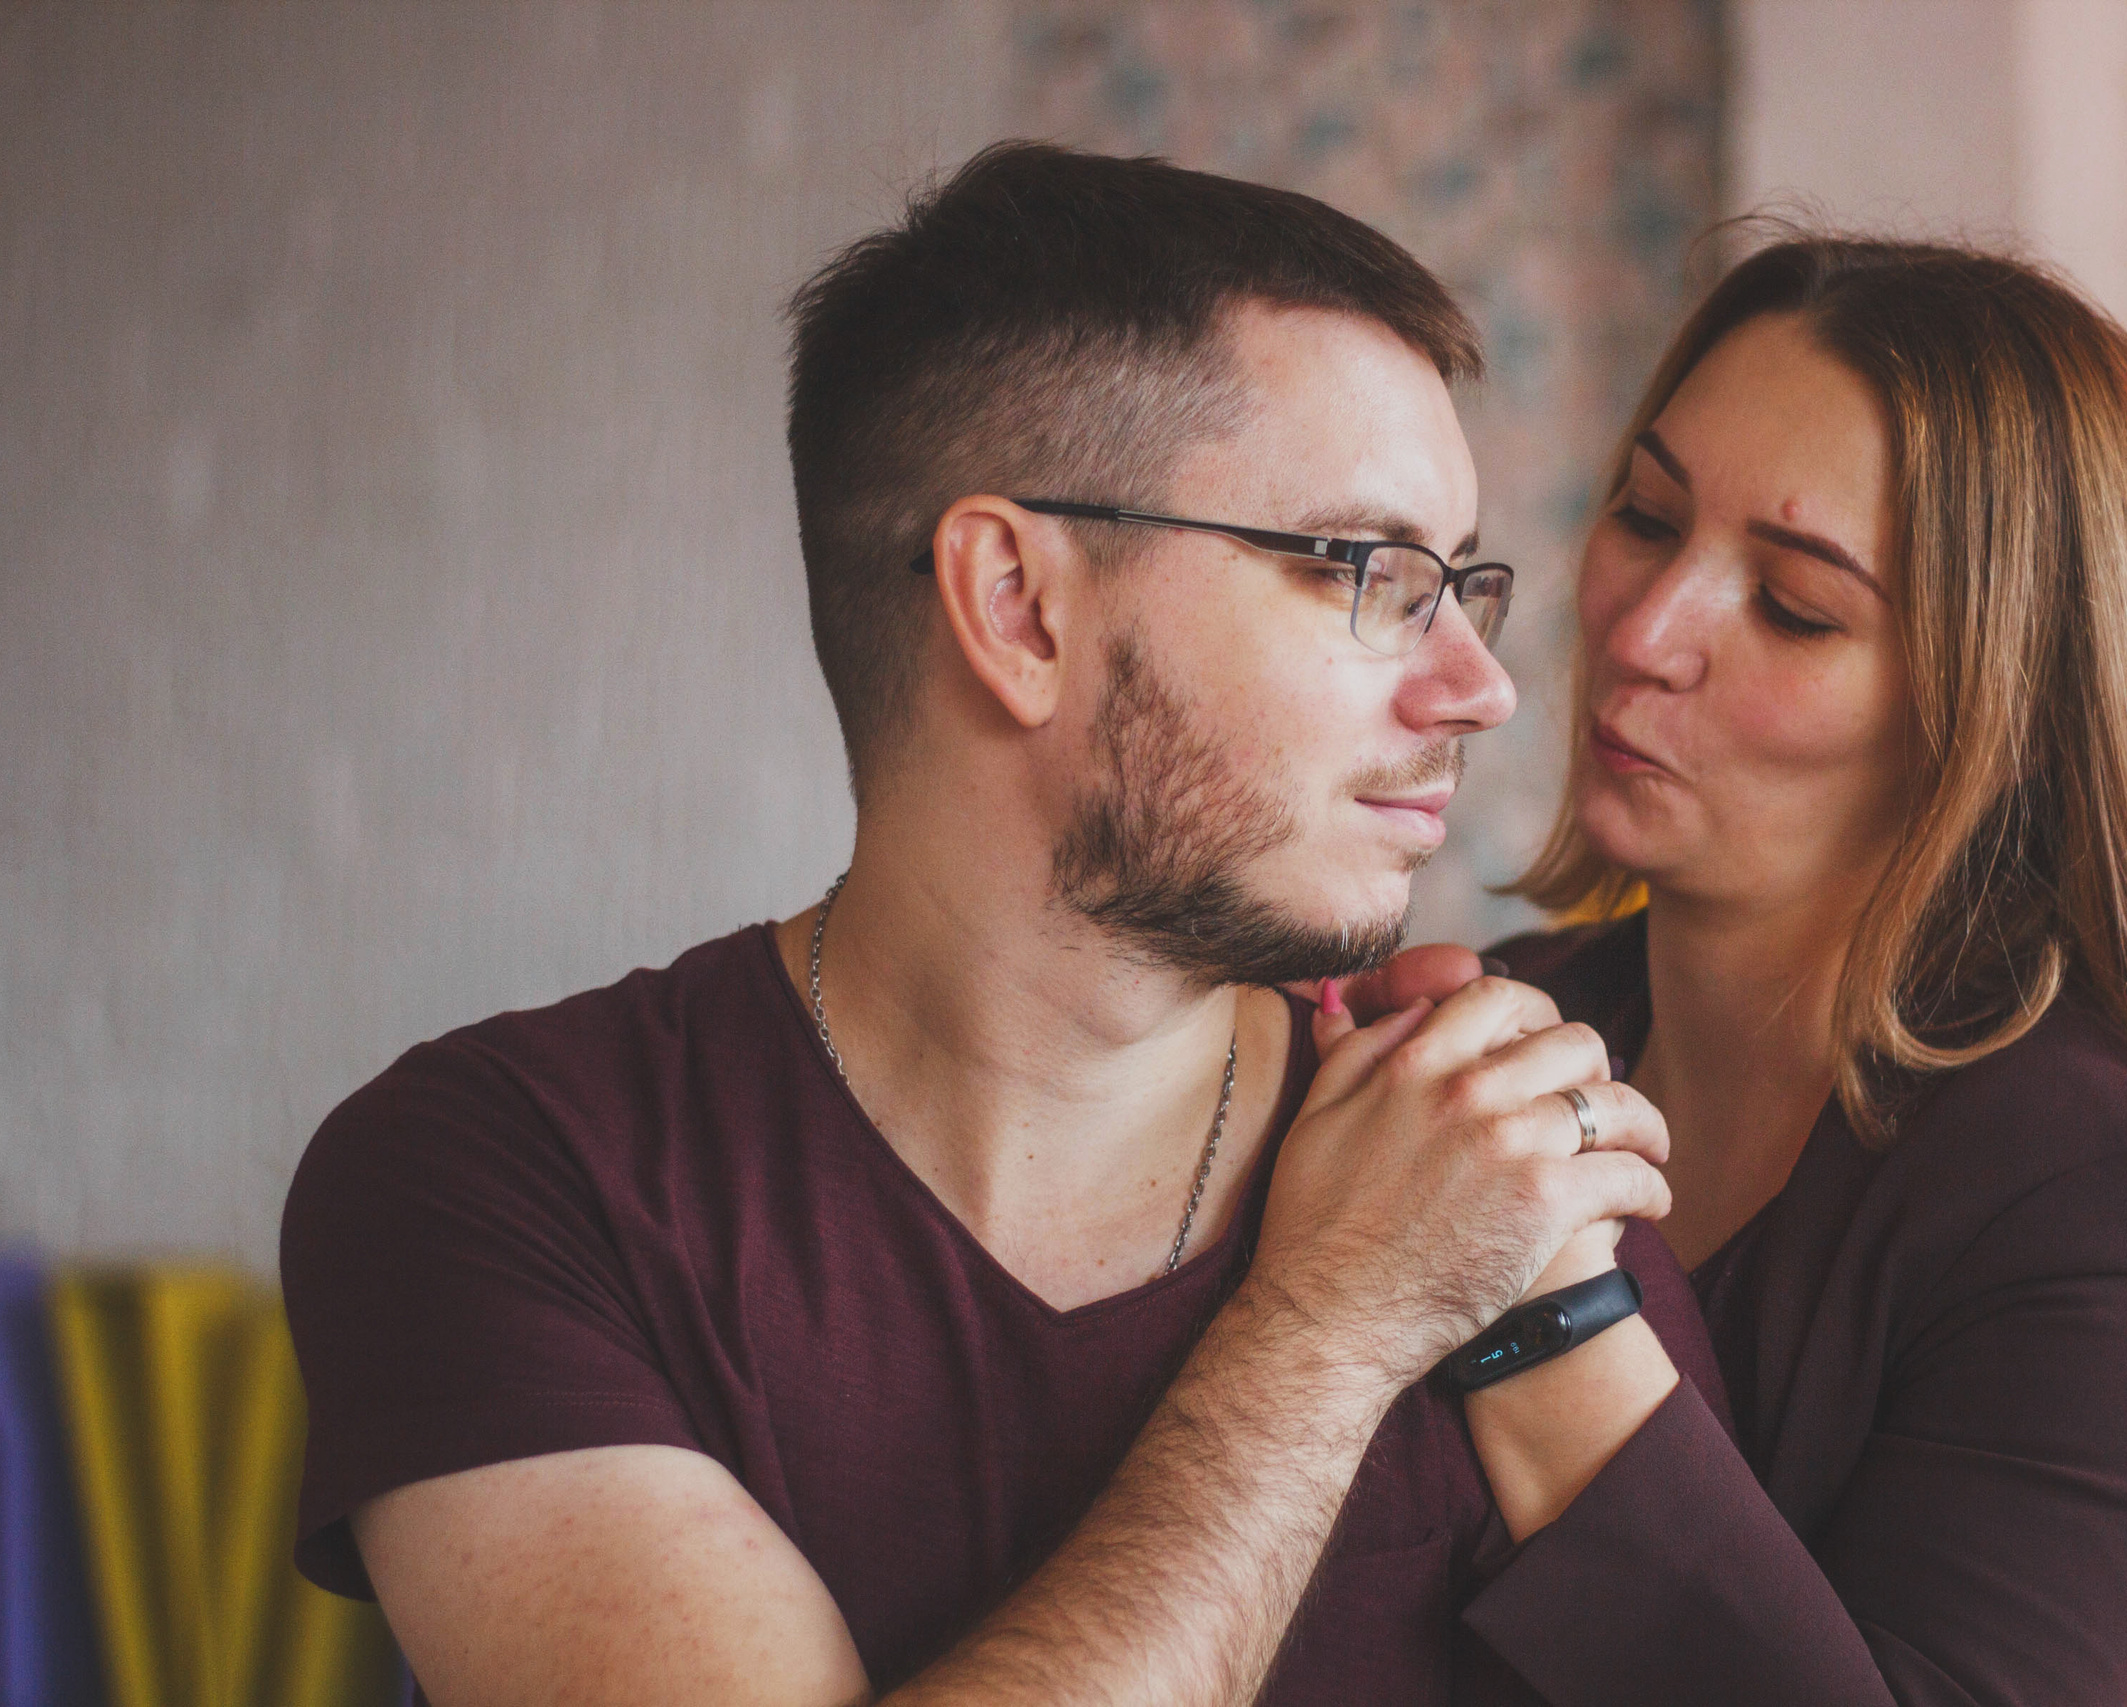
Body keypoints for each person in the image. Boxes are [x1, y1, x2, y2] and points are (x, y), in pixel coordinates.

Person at [279, 142, 1718, 1707]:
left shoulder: (1489, 1160)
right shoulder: (508, 1176)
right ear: (1019, 606)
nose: (1480, 688)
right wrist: (1333, 1328)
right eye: (1367, 570)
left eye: (1464, 584)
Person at [1366, 233, 2127, 1705]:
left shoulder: (2123, 1204)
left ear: (1992, 711)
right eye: (1645, 515)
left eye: (1797, 605)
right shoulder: (1513, 1015)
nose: (1646, 630)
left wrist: (1540, 1313)